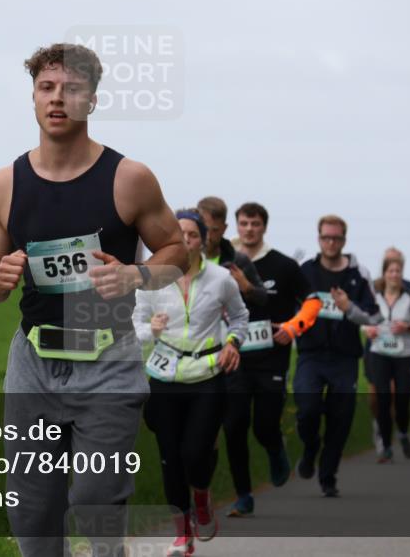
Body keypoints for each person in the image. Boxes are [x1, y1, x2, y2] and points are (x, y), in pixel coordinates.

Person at [0, 43, 189, 557]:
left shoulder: (129, 178)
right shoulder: (4, 185)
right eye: (46, 87)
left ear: (91, 100)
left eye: (71, 89)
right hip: (34, 360)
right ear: (33, 97)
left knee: (96, 498)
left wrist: (135, 274)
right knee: (32, 514)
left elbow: (177, 252)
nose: (57, 98)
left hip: (107, 357)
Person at [134, 209, 246, 556]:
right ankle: (183, 535)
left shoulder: (221, 279)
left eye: (193, 234)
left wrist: (233, 343)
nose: (185, 240)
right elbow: (133, 327)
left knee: (195, 452)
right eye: (179, 233)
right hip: (163, 376)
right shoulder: (152, 279)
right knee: (170, 457)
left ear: (203, 240)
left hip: (206, 375)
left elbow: (240, 317)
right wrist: (150, 330)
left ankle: (201, 494)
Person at [222, 202, 322, 516]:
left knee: (264, 425)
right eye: (244, 223)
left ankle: (275, 446)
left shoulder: (284, 265)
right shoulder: (222, 263)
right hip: (233, 357)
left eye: (255, 224)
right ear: (236, 226)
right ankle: (243, 495)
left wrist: (293, 328)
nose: (249, 229)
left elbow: (313, 301)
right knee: (234, 426)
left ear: (264, 227)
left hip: (272, 358)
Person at [294, 215, 379, 498]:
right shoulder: (305, 271)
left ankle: (328, 476)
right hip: (311, 354)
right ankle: (310, 448)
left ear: (344, 240)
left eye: (336, 238)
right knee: (307, 408)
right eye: (326, 237)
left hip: (344, 357)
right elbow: (291, 307)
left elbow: (374, 316)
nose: (330, 243)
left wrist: (349, 307)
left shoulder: (358, 274)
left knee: (340, 418)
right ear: (319, 239)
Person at [363, 256, 410, 463]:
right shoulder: (374, 297)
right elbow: (362, 318)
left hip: (404, 356)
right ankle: (387, 446)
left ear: (402, 274)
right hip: (379, 353)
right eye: (391, 271)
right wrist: (368, 329)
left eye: (398, 271)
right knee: (382, 400)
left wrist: (408, 327)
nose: (394, 275)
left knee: (402, 402)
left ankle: (403, 433)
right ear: (384, 274)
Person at [196, 196, 266, 309]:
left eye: (215, 230)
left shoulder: (238, 261)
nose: (208, 236)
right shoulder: (184, 260)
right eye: (205, 229)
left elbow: (263, 299)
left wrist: (247, 288)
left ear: (224, 228)